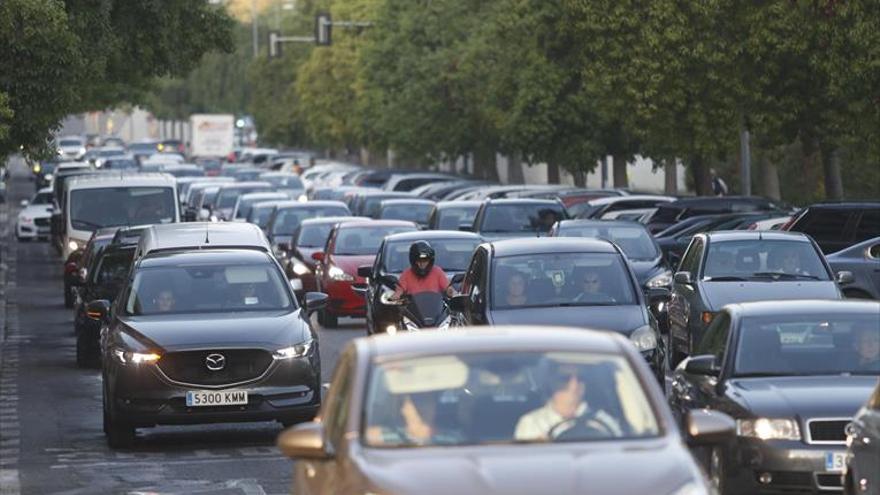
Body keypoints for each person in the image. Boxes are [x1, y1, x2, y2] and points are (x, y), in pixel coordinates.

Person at [515, 363, 622, 441]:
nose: (574, 385)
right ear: (551, 382)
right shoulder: (531, 423)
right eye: (565, 379)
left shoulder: (603, 422)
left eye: (580, 378)